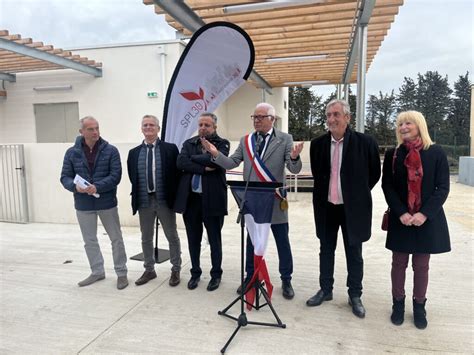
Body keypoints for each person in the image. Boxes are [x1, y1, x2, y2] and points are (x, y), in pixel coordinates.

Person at [201, 103, 303, 299]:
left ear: (272, 119)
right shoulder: (246, 140)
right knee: (251, 242)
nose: (256, 120)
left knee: (282, 241)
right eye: (254, 117)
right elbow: (232, 162)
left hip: (275, 200)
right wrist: (215, 153)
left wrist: (294, 157)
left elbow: (293, 168)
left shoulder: (284, 139)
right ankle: (251, 277)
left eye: (260, 117)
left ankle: (286, 279)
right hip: (253, 201)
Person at [307, 99, 380, 318]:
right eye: (328, 115)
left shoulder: (365, 143)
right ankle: (326, 290)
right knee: (326, 250)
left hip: (353, 209)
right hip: (327, 207)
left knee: (354, 253)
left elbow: (374, 174)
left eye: (336, 114)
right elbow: (318, 176)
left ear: (347, 117)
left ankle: (355, 295)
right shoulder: (318, 144)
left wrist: (355, 194)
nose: (331, 119)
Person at [382, 111, 450, 329]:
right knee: (398, 264)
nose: (403, 127)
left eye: (408, 123)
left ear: (419, 125)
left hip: (426, 219)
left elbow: (442, 187)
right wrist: (401, 212)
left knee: (421, 266)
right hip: (401, 218)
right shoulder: (393, 154)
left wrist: (424, 214)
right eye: (400, 124)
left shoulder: (436, 153)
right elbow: (388, 186)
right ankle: (398, 305)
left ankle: (419, 306)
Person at [60, 116, 128, 290]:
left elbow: (116, 176)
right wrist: (75, 187)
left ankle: (121, 273)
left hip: (106, 203)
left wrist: (97, 187)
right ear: (82, 132)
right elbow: (65, 177)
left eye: (97, 128)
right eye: (91, 129)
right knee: (89, 240)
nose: (95, 132)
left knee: (116, 239)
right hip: (83, 204)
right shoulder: (71, 153)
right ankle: (97, 271)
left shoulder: (110, 150)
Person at [174, 113, 230, 291]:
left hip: (212, 199)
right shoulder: (189, 143)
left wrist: (195, 160)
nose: (203, 128)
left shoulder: (222, 144)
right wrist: (204, 166)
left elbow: (218, 163)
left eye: (207, 125)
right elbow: (180, 162)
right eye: (200, 124)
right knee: (193, 239)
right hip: (191, 200)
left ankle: (216, 274)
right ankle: (195, 273)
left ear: (214, 127)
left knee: (214, 239)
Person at [127, 115, 182, 287]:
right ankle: (149, 269)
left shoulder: (170, 149)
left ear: (158, 129)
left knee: (172, 235)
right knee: (146, 237)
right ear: (141, 129)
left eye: (152, 125)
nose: (148, 127)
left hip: (164, 200)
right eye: (145, 125)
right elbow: (132, 176)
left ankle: (176, 269)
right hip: (144, 201)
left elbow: (176, 174)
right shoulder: (134, 153)